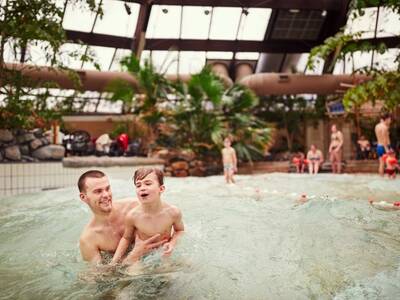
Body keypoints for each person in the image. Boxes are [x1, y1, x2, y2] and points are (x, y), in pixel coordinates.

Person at [78, 170, 166, 264]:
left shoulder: (134, 207)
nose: (106, 195)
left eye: (107, 189)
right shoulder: (89, 239)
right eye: (98, 191)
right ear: (83, 197)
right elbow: (100, 276)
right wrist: (134, 255)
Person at [112, 168, 184, 265]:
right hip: (141, 256)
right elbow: (126, 238)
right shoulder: (133, 216)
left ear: (161, 189)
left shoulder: (173, 212)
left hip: (162, 253)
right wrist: (114, 262)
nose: (142, 188)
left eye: (148, 184)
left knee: (180, 271)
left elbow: (179, 231)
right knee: (133, 274)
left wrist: (172, 243)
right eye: (138, 185)